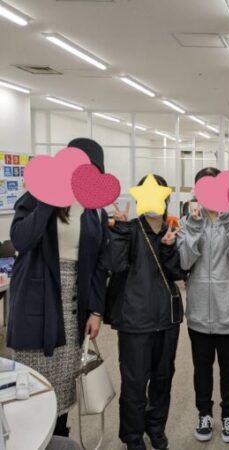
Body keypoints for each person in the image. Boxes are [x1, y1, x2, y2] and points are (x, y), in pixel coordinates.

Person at [8, 137, 108, 438]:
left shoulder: (94, 210)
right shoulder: (38, 196)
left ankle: (60, 440)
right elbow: (21, 239)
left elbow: (99, 263)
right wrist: (49, 198)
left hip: (74, 305)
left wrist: (96, 310)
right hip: (38, 301)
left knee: (64, 389)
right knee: (34, 388)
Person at [106, 174, 186, 450]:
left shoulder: (171, 229)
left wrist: (168, 248)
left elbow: (177, 274)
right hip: (135, 320)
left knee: (163, 379)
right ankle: (132, 435)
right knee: (135, 383)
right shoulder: (129, 229)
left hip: (167, 318)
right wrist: (118, 231)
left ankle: (155, 427)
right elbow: (114, 265)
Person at [178, 167, 229, 444]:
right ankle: (204, 414)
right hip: (200, 309)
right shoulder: (189, 219)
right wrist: (194, 228)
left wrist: (228, 223)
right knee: (201, 367)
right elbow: (184, 261)